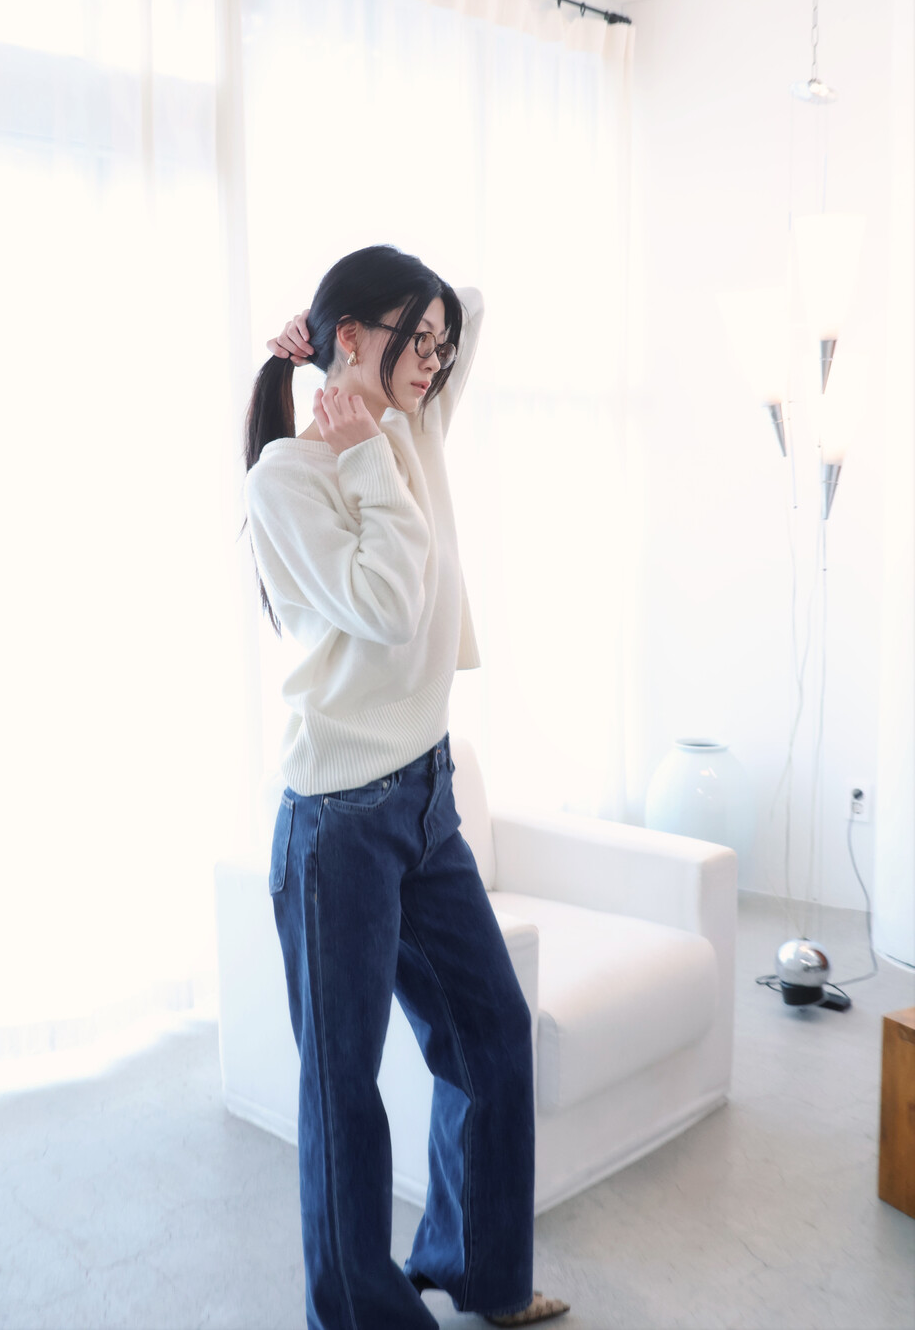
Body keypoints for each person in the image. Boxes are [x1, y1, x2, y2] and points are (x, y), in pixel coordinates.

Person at [240, 244, 570, 1329]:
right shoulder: (287, 479)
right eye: (413, 341)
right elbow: (387, 606)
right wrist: (358, 430)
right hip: (339, 823)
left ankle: (483, 1274)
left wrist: (341, 340)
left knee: (491, 1035)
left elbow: (468, 300)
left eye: (438, 346)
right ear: (354, 339)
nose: (433, 359)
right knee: (343, 1093)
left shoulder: (414, 420)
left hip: (425, 797)